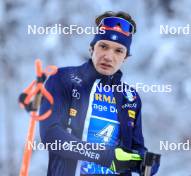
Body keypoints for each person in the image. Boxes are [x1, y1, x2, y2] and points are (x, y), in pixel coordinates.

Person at [39, 11, 159, 176]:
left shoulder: (130, 97)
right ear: (92, 48)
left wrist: (144, 163)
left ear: (126, 57)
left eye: (118, 51)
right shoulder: (63, 79)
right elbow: (51, 136)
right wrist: (105, 156)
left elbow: (136, 148)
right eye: (103, 46)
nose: (109, 56)